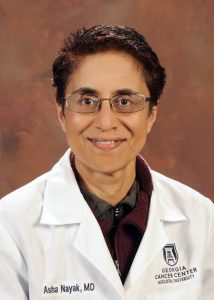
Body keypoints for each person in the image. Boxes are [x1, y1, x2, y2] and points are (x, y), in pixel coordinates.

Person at [0, 25, 213, 300]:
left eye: (124, 101)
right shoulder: (10, 226)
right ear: (62, 114)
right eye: (87, 100)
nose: (105, 122)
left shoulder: (201, 217)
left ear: (151, 115)